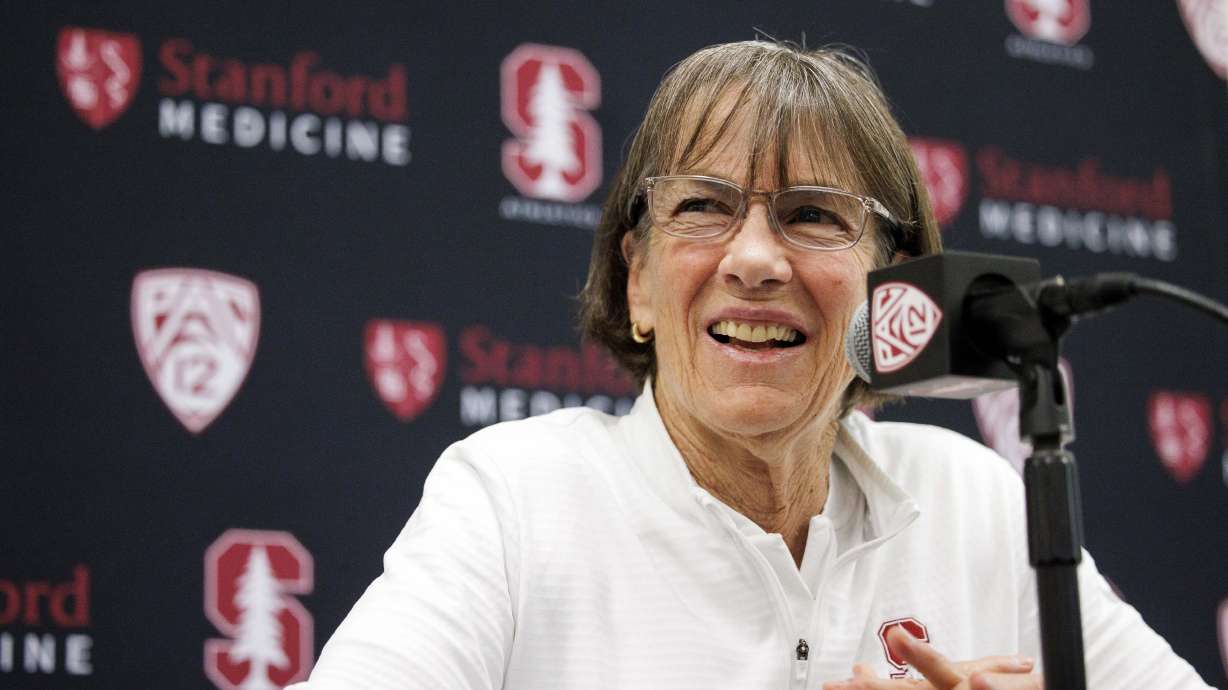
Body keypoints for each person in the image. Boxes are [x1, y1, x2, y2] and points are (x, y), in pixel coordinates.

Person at [290, 41, 1211, 689]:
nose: (757, 260)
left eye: (814, 215)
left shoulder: (975, 499)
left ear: (893, 289)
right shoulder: (514, 496)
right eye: (703, 207)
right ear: (640, 282)